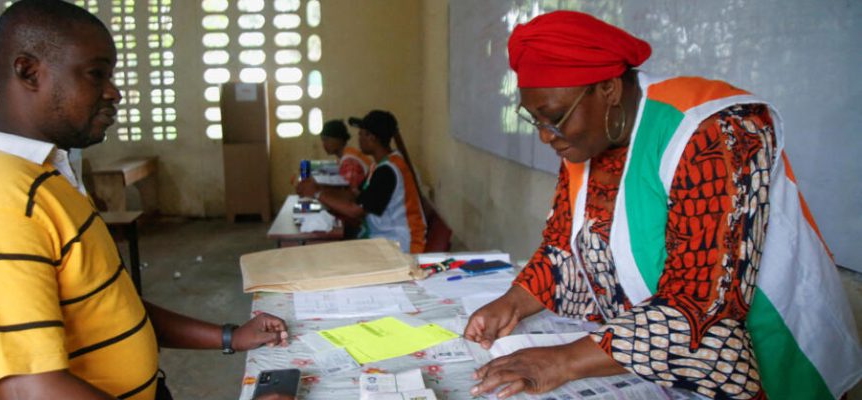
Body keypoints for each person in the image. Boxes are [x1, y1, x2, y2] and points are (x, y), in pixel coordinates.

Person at [464, 10, 861, 400]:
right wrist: (512, 302)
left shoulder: (718, 129)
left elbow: (699, 305)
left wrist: (561, 361)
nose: (546, 138)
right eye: (535, 121)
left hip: (775, 346)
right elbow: (567, 249)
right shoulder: (589, 137)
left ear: (608, 90)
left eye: (554, 119)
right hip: (660, 356)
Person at [0, 1, 288, 399]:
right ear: (28, 71)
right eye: (96, 74)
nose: (114, 92)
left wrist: (229, 336)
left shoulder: (44, 176)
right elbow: (28, 388)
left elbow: (108, 304)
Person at [297, 110, 426, 253]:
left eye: (361, 134)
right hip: (382, 237)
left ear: (372, 138)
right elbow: (354, 195)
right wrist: (318, 188)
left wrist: (317, 193)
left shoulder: (388, 171)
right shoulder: (378, 165)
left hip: (400, 243)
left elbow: (356, 211)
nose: (358, 139)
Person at [318, 119, 373, 190]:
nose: (324, 144)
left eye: (327, 139)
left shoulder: (350, 161)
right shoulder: (349, 154)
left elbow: (350, 194)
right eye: (323, 140)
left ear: (339, 138)